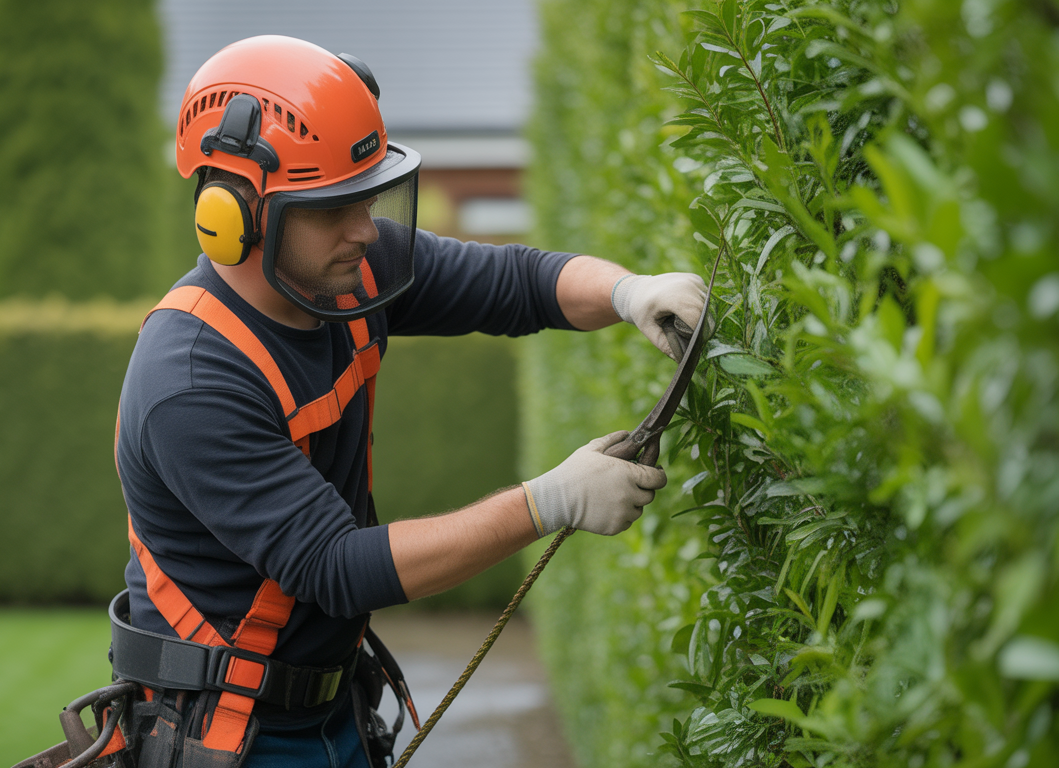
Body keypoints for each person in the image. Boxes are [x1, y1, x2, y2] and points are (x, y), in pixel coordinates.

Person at [111, 35, 706, 768]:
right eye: (334, 208)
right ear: (234, 214)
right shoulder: (192, 380)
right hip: (230, 737)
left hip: (337, 711)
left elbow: (516, 283)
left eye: (367, 198)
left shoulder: (345, 267)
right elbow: (337, 564)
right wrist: (551, 501)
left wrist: (629, 292)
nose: (366, 230)